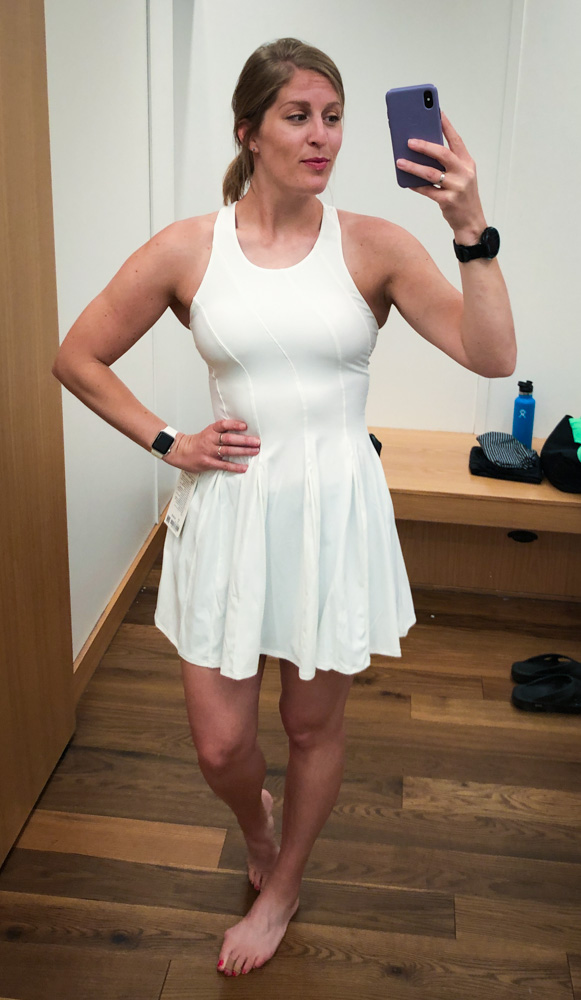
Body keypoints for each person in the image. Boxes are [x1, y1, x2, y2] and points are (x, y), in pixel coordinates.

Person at [52, 37, 516, 978]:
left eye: (333, 118)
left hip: (330, 516)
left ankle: (284, 883)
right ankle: (256, 824)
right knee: (221, 745)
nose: (322, 136)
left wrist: (469, 226)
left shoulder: (374, 246)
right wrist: (168, 442)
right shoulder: (190, 247)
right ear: (248, 132)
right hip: (229, 513)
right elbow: (77, 356)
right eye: (298, 116)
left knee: (310, 726)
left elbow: (491, 354)